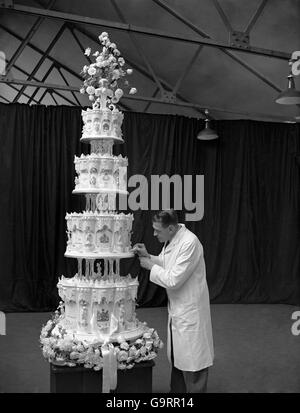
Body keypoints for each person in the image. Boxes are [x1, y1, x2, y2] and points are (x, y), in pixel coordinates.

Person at [132, 210, 214, 393]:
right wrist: (149, 256)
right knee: (179, 357)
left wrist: (151, 266)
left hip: (190, 310)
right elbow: (168, 263)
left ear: (170, 228)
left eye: (157, 231)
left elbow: (174, 279)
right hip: (179, 309)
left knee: (194, 361)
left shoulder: (190, 243)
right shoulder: (174, 237)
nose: (154, 234)